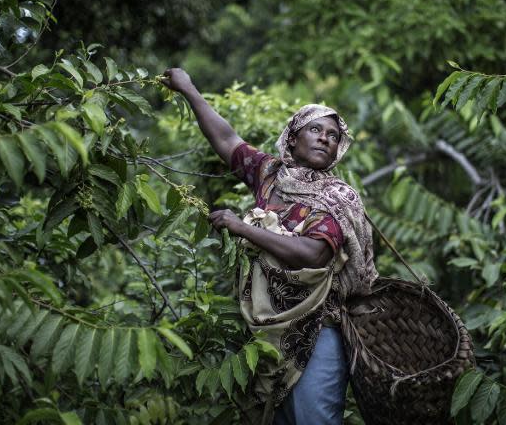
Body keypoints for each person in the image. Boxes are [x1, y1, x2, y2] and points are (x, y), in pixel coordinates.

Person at [161, 68, 378, 424]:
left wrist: (240, 228)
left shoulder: (337, 197)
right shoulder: (270, 174)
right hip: (262, 327)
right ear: (292, 138)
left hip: (316, 327)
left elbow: (313, 253)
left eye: (333, 135)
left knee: (315, 418)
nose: (325, 138)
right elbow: (227, 140)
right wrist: (188, 89)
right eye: (315, 129)